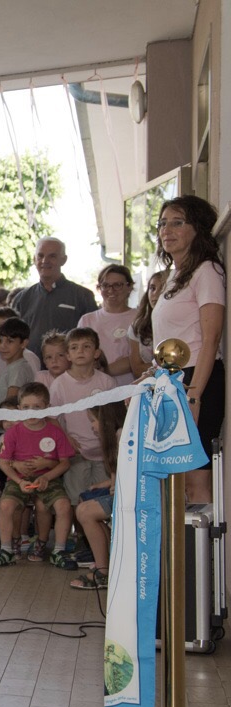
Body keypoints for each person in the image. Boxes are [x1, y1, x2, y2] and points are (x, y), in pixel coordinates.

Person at [152, 195, 226, 504]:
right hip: (170, 381)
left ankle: (201, 553)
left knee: (195, 480)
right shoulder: (173, 275)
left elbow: (210, 339)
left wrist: (194, 394)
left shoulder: (207, 270)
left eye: (177, 222)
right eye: (163, 223)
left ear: (198, 228)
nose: (167, 230)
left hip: (196, 379)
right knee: (174, 485)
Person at [0, 382, 76, 567]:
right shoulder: (13, 433)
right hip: (19, 480)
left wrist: (46, 477)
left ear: (47, 408)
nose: (31, 411)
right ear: (19, 409)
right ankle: (6, 550)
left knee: (64, 506)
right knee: (5, 505)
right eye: (26, 407)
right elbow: (4, 463)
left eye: (37, 407)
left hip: (48, 479)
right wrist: (18, 481)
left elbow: (65, 463)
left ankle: (58, 551)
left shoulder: (55, 432)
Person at [49, 327, 116, 547]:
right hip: (76, 453)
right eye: (75, 348)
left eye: (87, 347)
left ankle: (103, 544)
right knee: (78, 497)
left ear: (96, 352)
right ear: (68, 354)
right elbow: (53, 417)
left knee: (101, 499)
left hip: (104, 454)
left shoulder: (106, 382)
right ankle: (82, 542)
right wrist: (66, 438)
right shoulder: (60, 384)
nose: (80, 352)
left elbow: (114, 417)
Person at [9, 237, 98, 360]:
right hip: (30, 370)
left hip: (69, 371)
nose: (45, 261)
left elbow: (92, 338)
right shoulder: (22, 298)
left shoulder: (82, 296)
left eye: (52, 256)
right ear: (34, 259)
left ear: (64, 260)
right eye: (40, 256)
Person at [70, 402, 126, 590]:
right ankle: (106, 563)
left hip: (127, 497)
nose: (92, 426)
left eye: (93, 421)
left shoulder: (121, 436)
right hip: (117, 492)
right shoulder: (113, 439)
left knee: (85, 512)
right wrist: (104, 484)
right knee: (85, 499)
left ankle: (103, 571)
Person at [79, 265, 136, 386]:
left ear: (129, 287)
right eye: (105, 285)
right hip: (93, 389)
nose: (111, 290)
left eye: (117, 285)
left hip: (128, 390)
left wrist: (104, 370)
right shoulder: (87, 320)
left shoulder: (139, 318)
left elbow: (141, 358)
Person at [127, 271, 165, 378]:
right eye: (152, 288)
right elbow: (137, 370)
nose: (155, 294)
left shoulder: (184, 324)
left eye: (163, 288)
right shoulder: (138, 327)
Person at [0, 317, 34, 406]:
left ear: (23, 343)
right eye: (0, 341)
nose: (2, 346)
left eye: (10, 341)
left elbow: (10, 403)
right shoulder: (15, 366)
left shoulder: (18, 369)